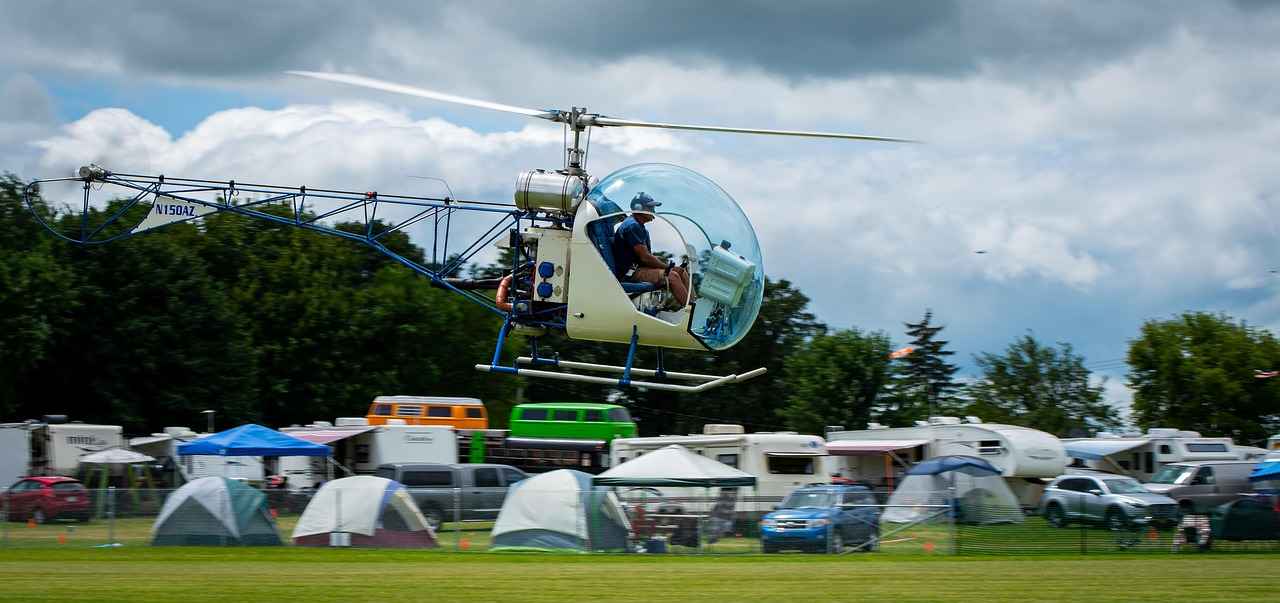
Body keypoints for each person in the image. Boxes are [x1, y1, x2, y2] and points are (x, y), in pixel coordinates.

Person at [611, 192, 690, 307]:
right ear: (639, 208)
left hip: (638, 269)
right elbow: (645, 258)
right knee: (673, 276)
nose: (654, 211)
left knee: (682, 272)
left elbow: (646, 256)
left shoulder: (641, 228)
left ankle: (694, 304)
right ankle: (689, 312)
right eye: (650, 208)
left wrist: (669, 265)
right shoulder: (632, 226)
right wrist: (667, 268)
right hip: (629, 273)